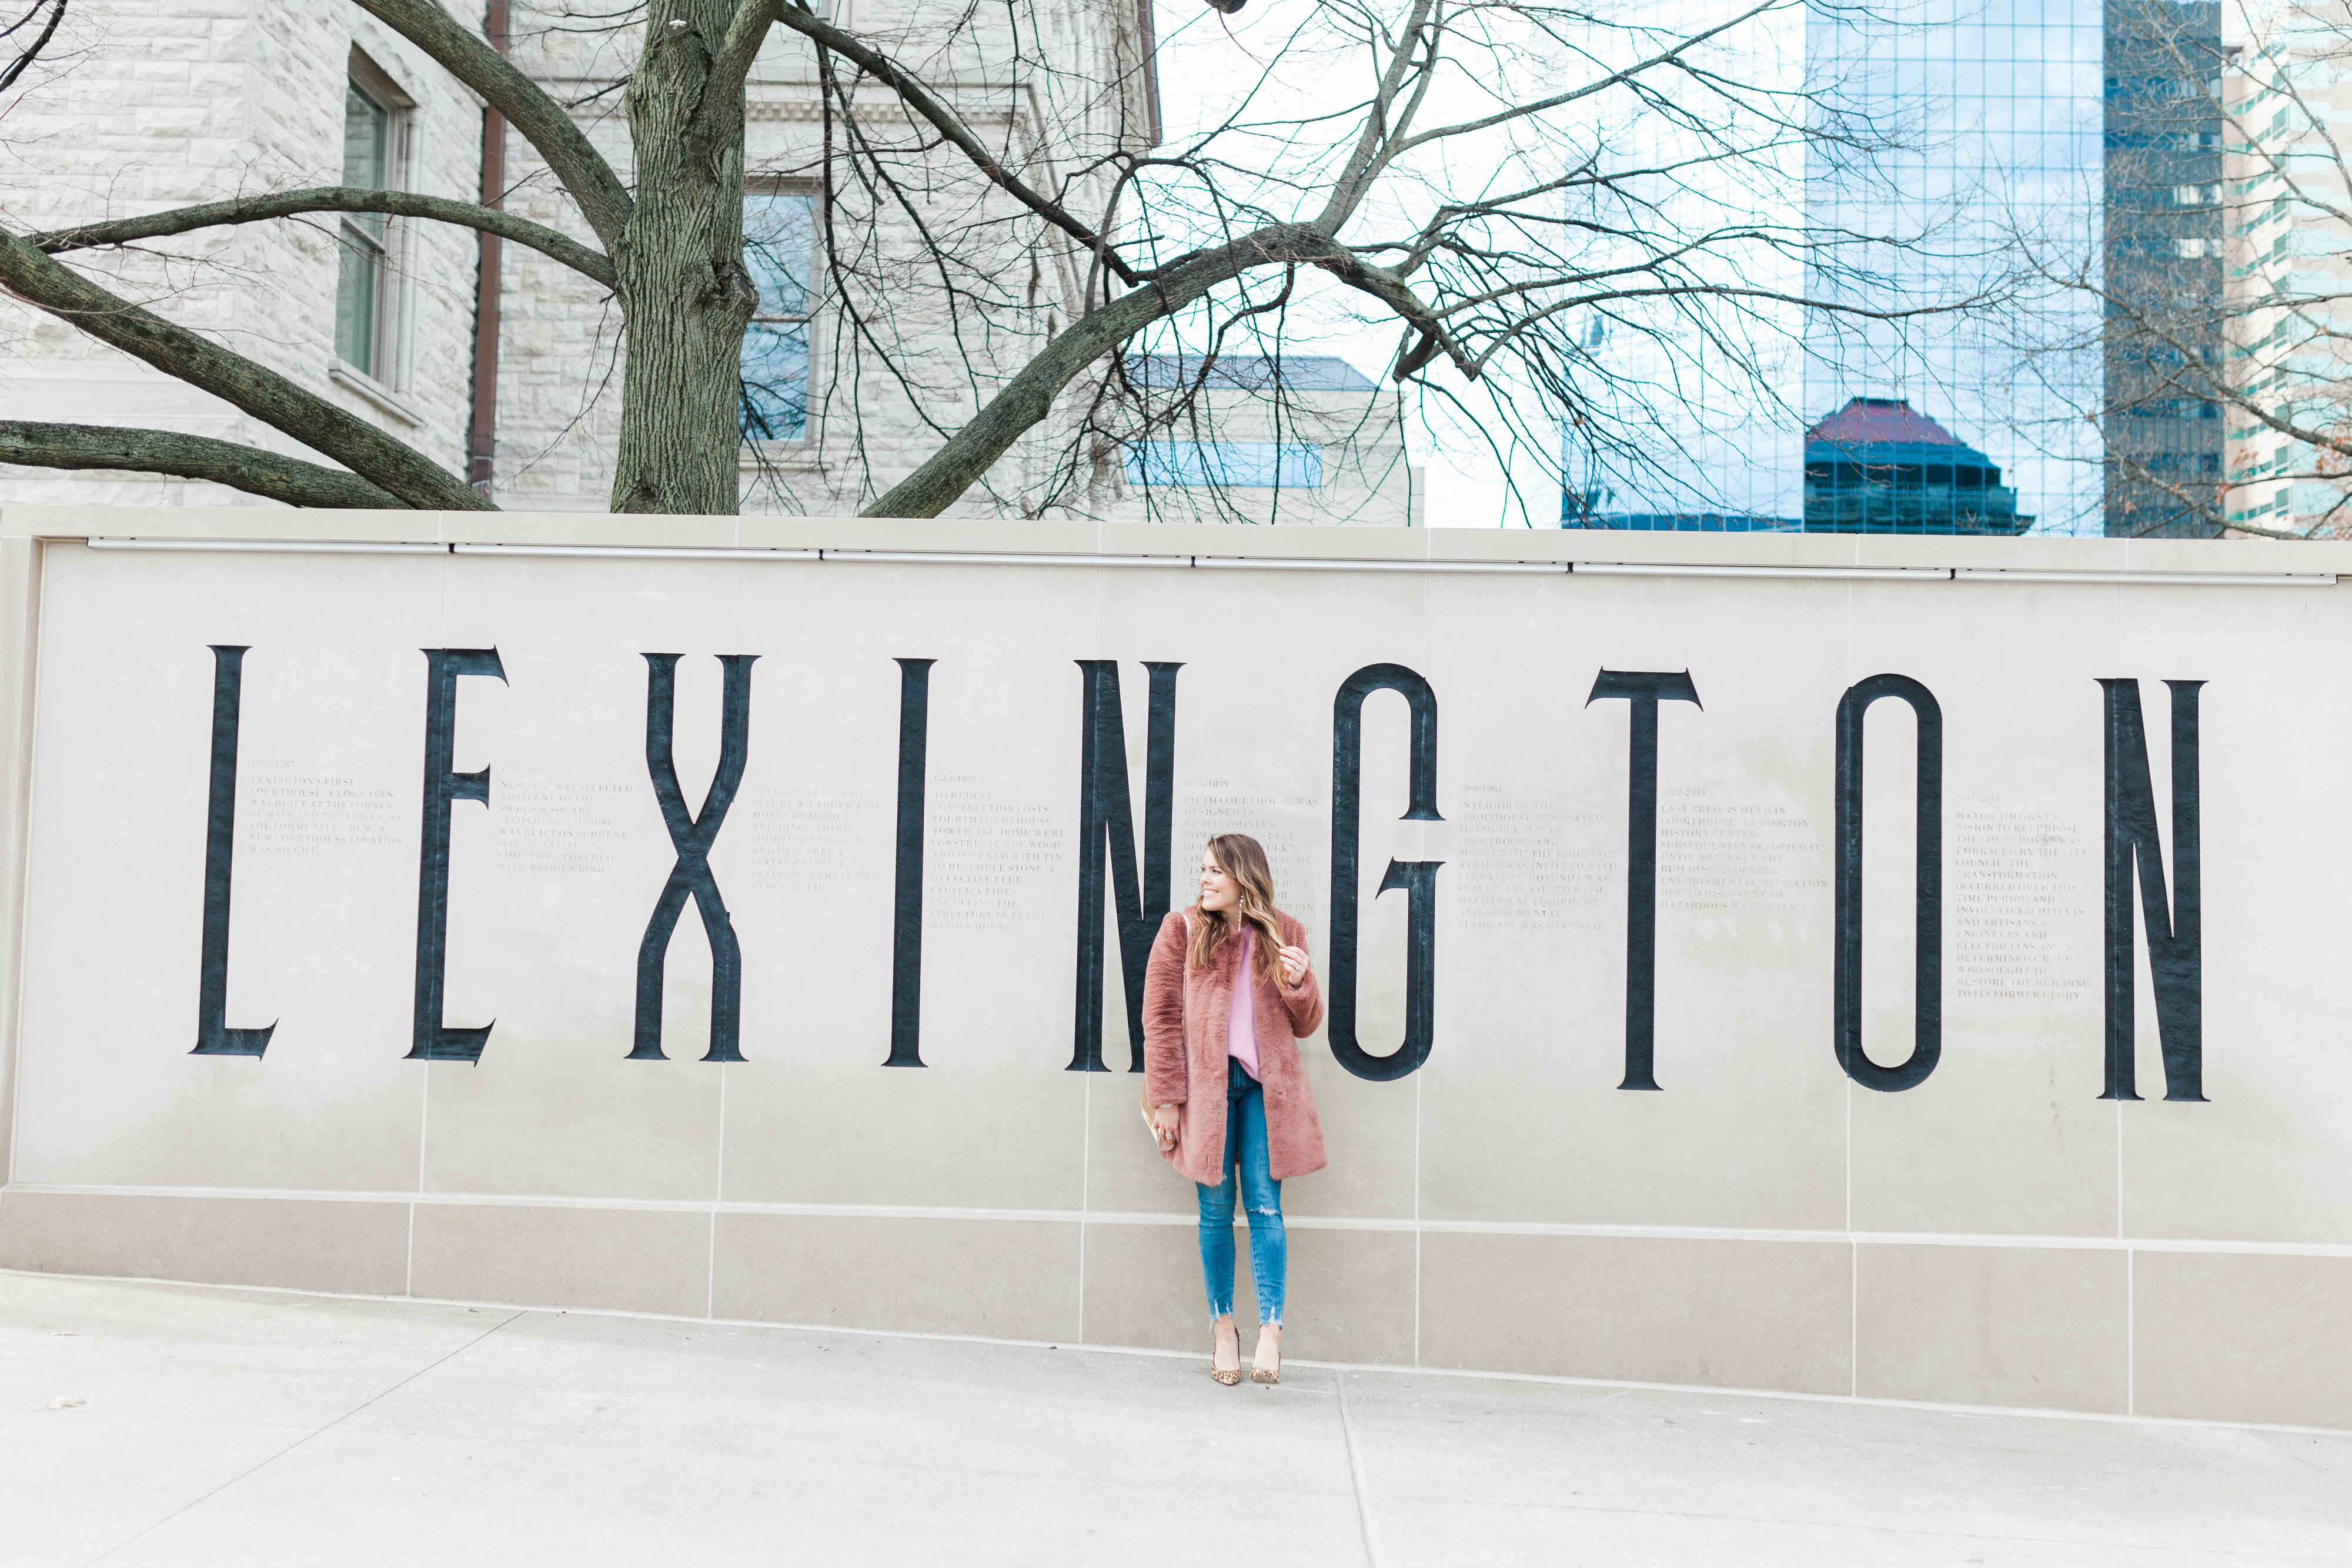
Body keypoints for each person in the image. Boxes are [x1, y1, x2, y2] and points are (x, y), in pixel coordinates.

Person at [1143, 834, 1326, 1386]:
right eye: (1202, 870)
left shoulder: (1285, 930)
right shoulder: (1182, 929)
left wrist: (1298, 982)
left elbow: (1307, 1021)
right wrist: (1167, 1099)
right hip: (1207, 1091)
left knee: (1266, 1206)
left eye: (1214, 871)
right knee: (1216, 1210)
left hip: (1265, 1089)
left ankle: (1271, 1330)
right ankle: (1224, 1328)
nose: (1203, 879)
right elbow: (1160, 1019)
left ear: (1243, 876)